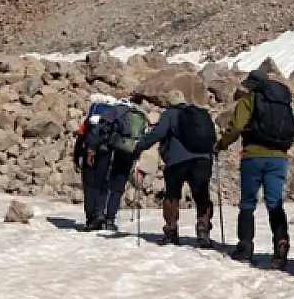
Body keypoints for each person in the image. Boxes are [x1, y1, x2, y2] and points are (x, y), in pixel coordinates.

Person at [214, 71, 294, 267]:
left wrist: (220, 145)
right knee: (274, 202)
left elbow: (236, 127)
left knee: (248, 202)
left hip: (253, 157)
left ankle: (245, 247)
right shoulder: (284, 104)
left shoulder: (247, 101)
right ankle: (281, 245)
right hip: (279, 158)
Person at [134, 90, 216, 246]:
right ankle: (203, 231)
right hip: (202, 160)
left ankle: (171, 232)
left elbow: (158, 133)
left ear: (169, 102)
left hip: (176, 161)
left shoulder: (170, 114)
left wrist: (140, 146)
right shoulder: (200, 114)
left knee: (172, 196)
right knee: (202, 196)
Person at [74, 98, 146, 232]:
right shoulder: (138, 116)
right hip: (127, 153)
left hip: (109, 151)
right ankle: (110, 219)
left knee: (102, 184)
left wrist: (91, 150)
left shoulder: (113, 112)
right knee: (118, 188)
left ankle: (98, 216)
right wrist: (136, 156)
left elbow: (97, 131)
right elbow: (142, 138)